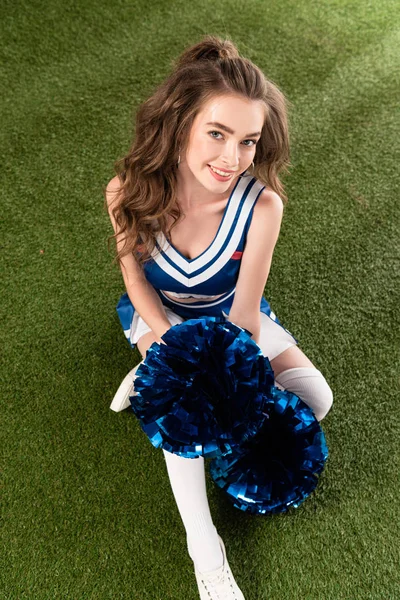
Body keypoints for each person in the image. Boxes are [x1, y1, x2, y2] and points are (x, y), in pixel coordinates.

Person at [104, 35, 333, 600]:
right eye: (217, 133)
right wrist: (171, 350)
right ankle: (205, 551)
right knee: (186, 423)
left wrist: (227, 377)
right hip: (162, 320)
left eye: (248, 141)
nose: (232, 158)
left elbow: (246, 312)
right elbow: (135, 282)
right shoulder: (126, 189)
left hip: (234, 324)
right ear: (180, 121)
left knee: (315, 400)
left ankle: (165, 394)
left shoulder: (262, 205)